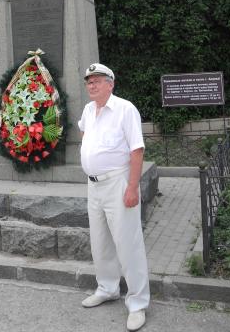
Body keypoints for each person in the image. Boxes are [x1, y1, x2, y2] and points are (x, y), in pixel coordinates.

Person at [78, 63, 150, 332]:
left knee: (128, 243)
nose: (91, 85)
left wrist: (132, 187)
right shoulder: (88, 110)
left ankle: (138, 303)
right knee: (100, 241)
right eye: (88, 82)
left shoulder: (125, 109)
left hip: (118, 183)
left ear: (111, 83)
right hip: (93, 185)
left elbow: (137, 150)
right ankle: (107, 288)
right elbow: (84, 134)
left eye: (96, 80)